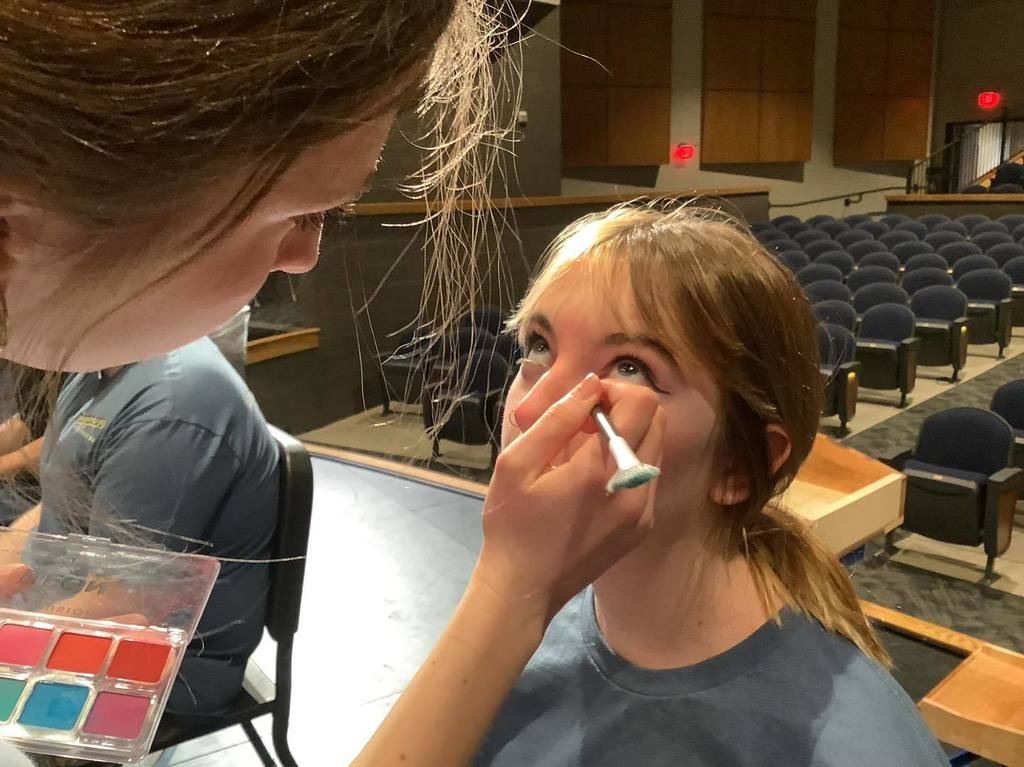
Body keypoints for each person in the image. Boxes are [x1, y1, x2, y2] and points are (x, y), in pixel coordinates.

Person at [0, 3, 661, 765]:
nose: (305, 258)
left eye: (632, 365)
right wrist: (516, 588)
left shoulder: (168, 395)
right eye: (306, 212)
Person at [475, 204, 948, 766]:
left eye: (631, 367)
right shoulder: (507, 632)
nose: (529, 411)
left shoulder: (851, 750)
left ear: (738, 469)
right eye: (538, 345)